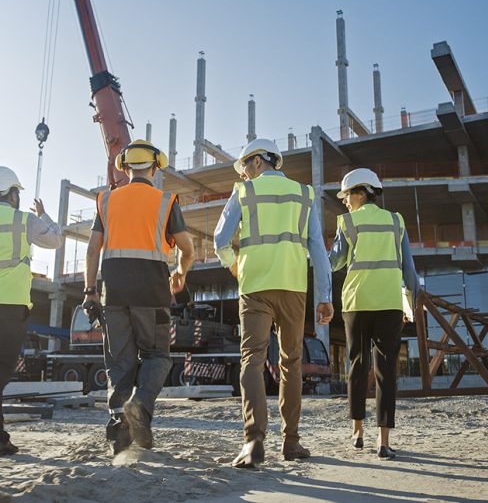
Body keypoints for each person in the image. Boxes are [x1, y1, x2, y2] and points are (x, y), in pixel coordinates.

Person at [214, 138, 334, 468]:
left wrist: (234, 265)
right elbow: (318, 251)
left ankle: (253, 441)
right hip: (294, 287)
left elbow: (219, 240)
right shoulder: (304, 194)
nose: (245, 175)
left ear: (256, 161)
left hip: (254, 286)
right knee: (291, 362)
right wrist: (325, 296)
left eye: (245, 168)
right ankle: (291, 442)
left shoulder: (244, 192)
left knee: (252, 360)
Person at [83, 140, 194, 455]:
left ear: (125, 166)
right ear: (156, 167)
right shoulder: (166, 201)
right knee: (157, 356)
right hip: (152, 292)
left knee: (120, 363)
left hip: (114, 293)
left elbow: (93, 249)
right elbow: (188, 249)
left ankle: (120, 435)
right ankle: (140, 405)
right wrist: (181, 273)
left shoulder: (106, 200)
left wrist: (90, 290)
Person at [329, 168, 421, 460]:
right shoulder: (396, 221)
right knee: (386, 371)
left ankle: (357, 433)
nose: (344, 202)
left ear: (361, 192)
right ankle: (384, 441)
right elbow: (409, 270)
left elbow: (334, 263)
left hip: (356, 303)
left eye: (346, 196)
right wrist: (409, 305)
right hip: (389, 304)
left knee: (356, 365)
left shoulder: (347, 223)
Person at [0, 166, 63, 456]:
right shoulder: (24, 220)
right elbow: (55, 240)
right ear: (13, 194)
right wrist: (43, 215)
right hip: (10, 309)